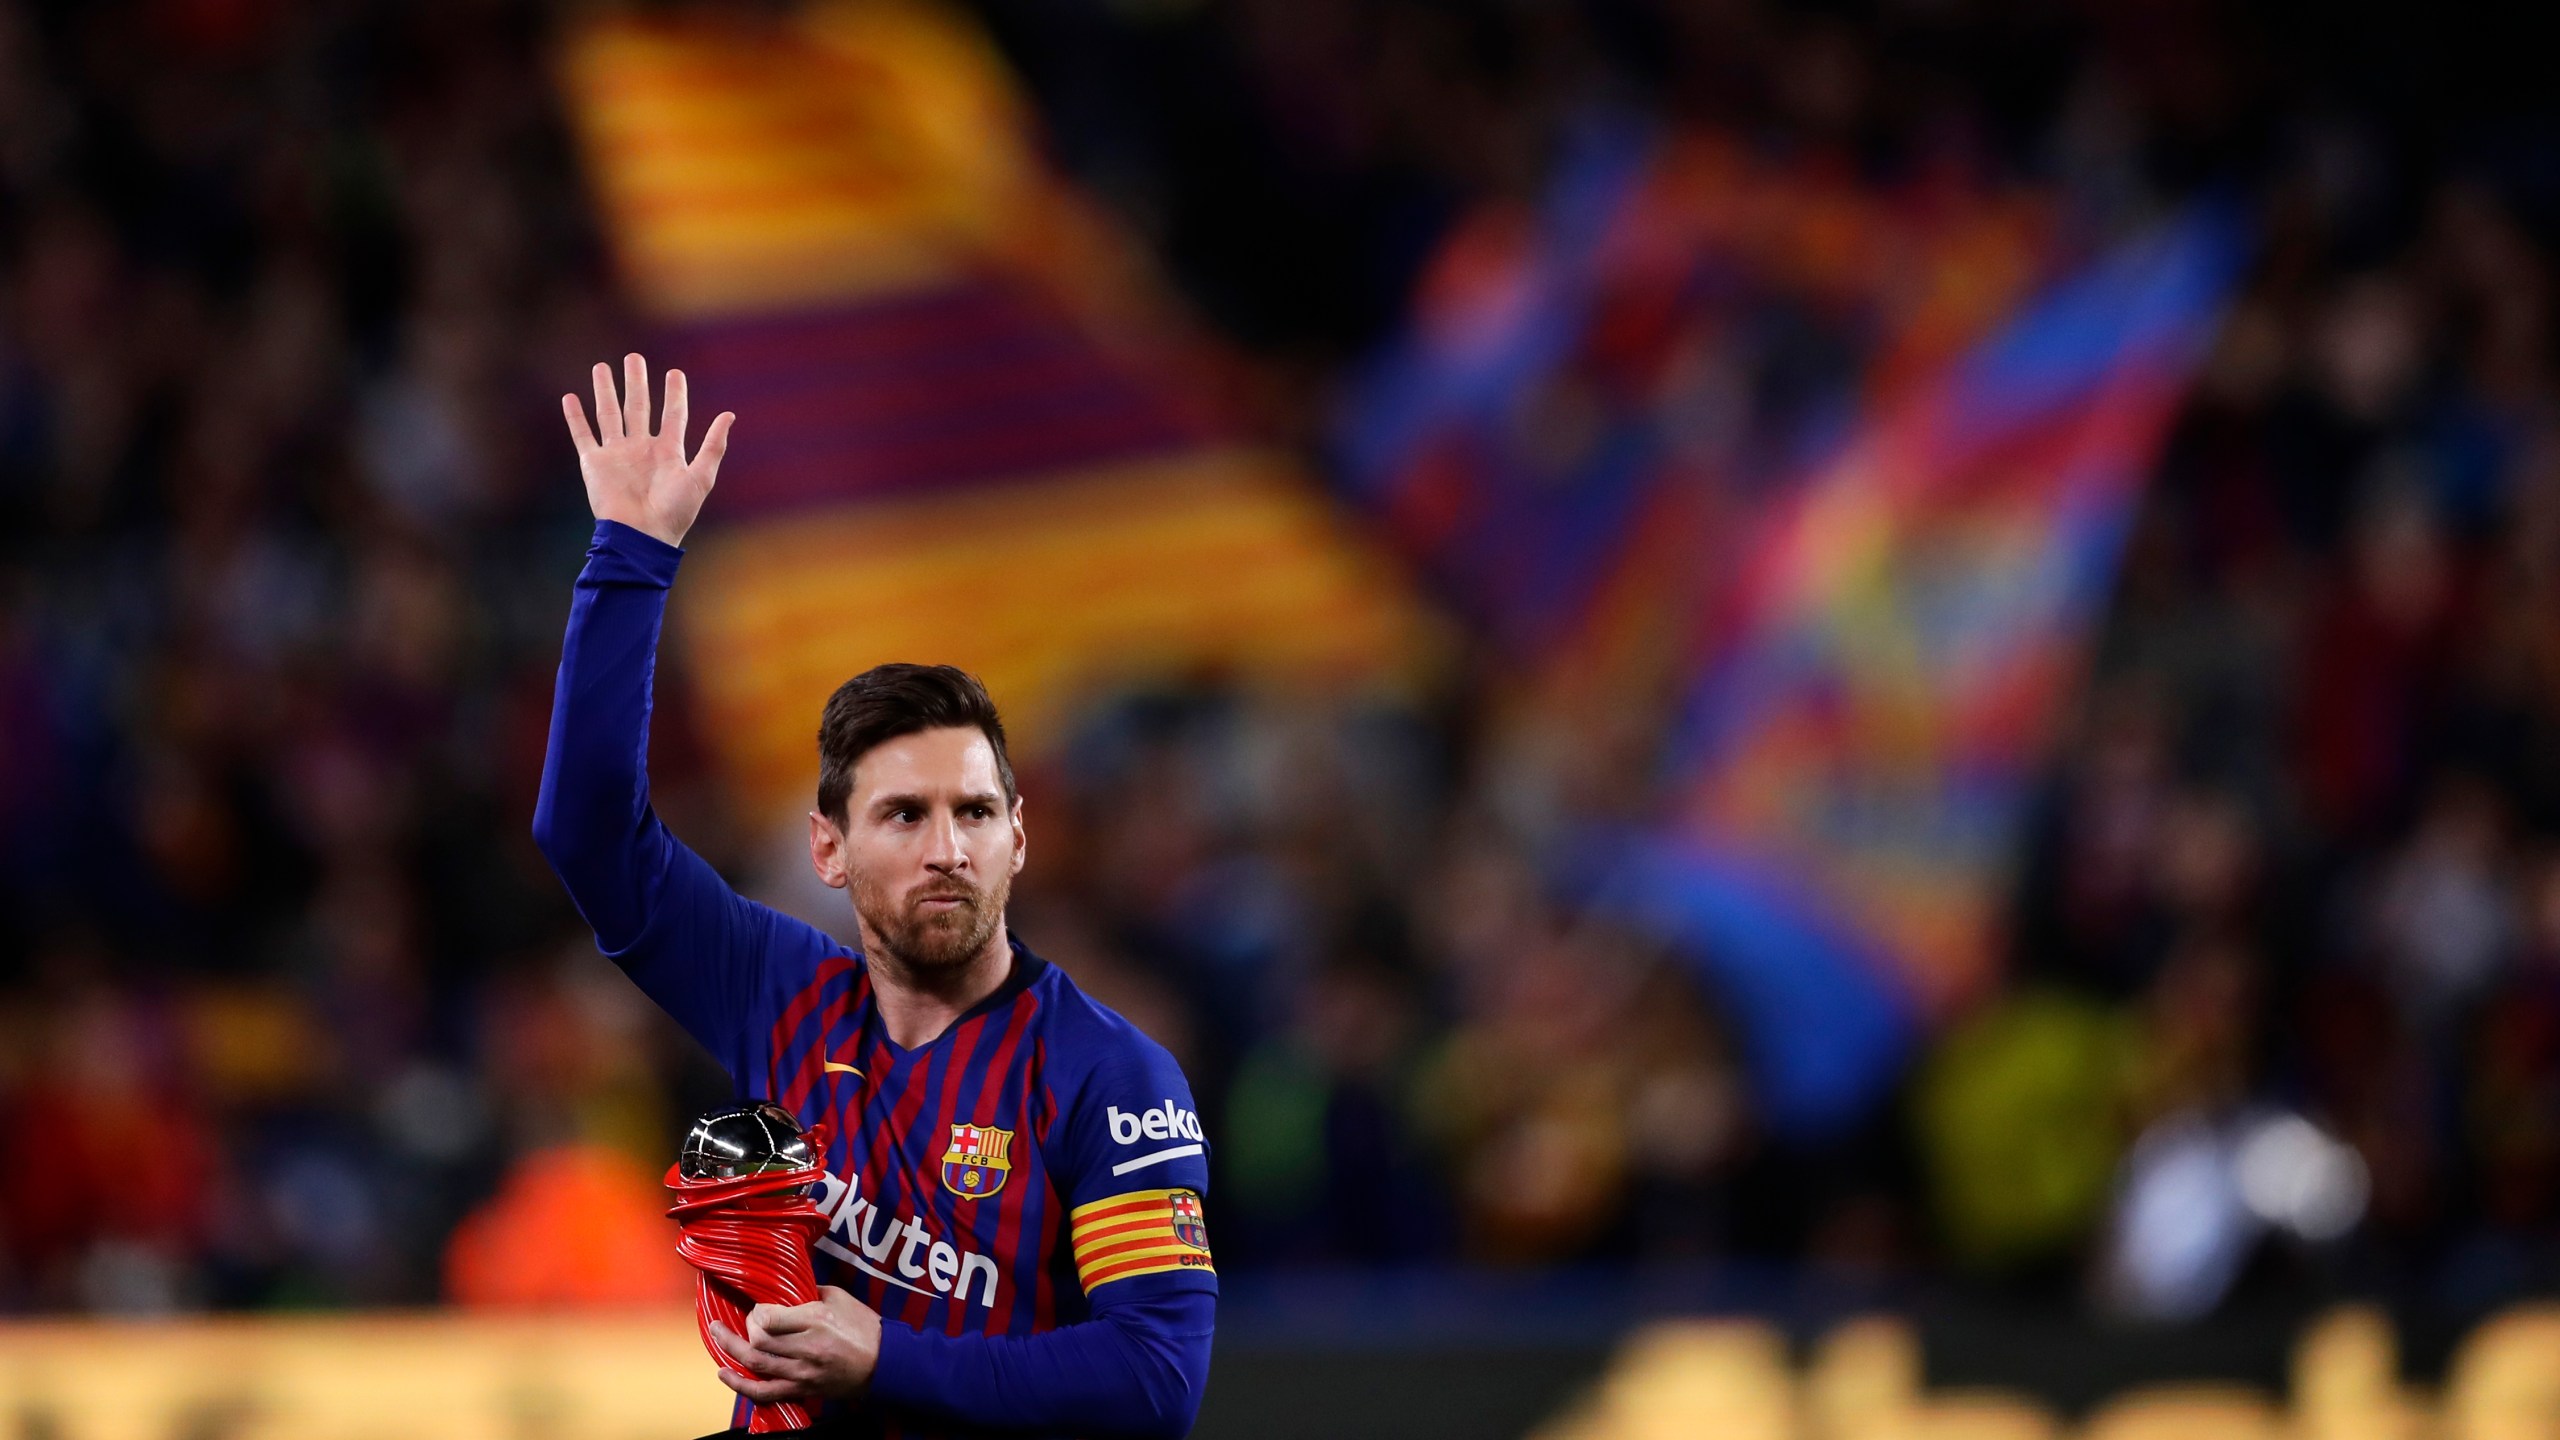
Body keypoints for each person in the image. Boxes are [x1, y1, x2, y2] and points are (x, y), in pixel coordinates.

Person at [534, 355, 1216, 1438]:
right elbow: (585, 835)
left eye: (976, 814)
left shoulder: (1107, 1074)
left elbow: (1155, 1381)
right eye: (904, 816)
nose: (948, 849)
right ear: (829, 849)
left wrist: (883, 1355)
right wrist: (629, 557)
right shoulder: (777, 990)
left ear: (1020, 838)